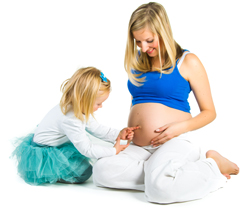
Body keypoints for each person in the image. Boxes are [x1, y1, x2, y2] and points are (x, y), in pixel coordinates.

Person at [92, 2, 239, 204]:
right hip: (140, 146)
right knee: (101, 171)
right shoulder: (138, 61)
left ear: (165, 30)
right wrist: (128, 132)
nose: (144, 48)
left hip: (175, 141)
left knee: (160, 192)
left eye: (149, 40)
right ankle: (166, 173)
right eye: (138, 42)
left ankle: (213, 165)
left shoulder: (188, 61)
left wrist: (178, 128)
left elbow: (209, 112)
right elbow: (138, 102)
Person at [11, 67, 138, 185]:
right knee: (84, 173)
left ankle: (60, 169)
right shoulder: (71, 119)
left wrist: (118, 134)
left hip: (57, 145)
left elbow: (96, 129)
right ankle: (51, 173)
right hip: (44, 153)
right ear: (84, 100)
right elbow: (86, 149)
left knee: (84, 158)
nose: (101, 107)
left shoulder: (77, 107)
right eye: (98, 103)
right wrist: (114, 150)